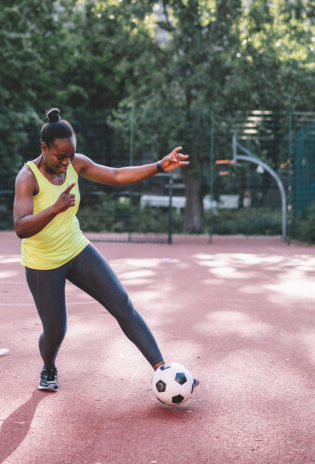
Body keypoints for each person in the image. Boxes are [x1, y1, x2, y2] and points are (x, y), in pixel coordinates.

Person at [13, 108, 196, 392]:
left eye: (71, 155)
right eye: (60, 156)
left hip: (76, 247)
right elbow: (21, 227)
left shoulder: (76, 163)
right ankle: (48, 368)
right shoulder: (28, 176)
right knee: (56, 330)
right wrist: (55, 208)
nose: (66, 161)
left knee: (122, 304)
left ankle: (164, 370)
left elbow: (117, 175)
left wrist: (159, 166)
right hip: (42, 262)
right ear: (44, 148)